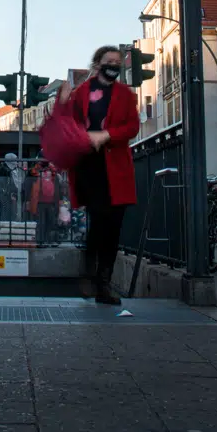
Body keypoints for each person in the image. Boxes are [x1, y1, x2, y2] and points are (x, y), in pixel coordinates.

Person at [63, 48, 140, 305]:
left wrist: (107, 135)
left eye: (118, 63)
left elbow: (132, 126)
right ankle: (93, 276)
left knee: (114, 224)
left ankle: (103, 281)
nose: (114, 66)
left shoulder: (126, 95)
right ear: (97, 64)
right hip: (91, 164)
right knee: (99, 217)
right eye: (109, 62)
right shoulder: (80, 94)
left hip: (116, 166)